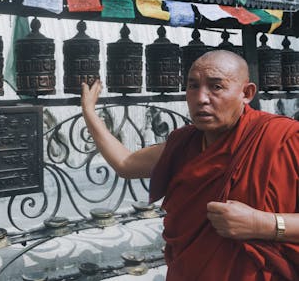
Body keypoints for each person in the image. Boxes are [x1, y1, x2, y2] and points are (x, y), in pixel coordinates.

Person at [81, 50, 299, 281]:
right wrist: (89, 112)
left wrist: (262, 224)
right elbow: (125, 164)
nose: (201, 98)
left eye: (216, 87)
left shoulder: (284, 139)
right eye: (193, 86)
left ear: (246, 93)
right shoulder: (183, 144)